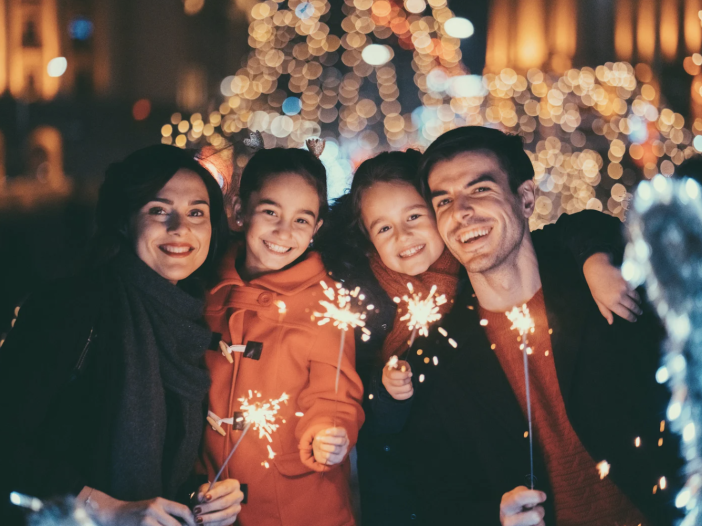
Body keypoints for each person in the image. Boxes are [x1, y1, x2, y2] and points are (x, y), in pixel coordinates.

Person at [316, 148, 645, 526]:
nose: (404, 235)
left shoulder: (480, 265)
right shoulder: (366, 300)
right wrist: (387, 391)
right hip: (399, 480)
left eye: (414, 216)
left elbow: (569, 230)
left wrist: (594, 258)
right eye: (384, 227)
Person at [407, 126, 684, 525]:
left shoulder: (601, 282)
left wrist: (595, 256)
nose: (461, 212)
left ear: (525, 198)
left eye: (480, 190)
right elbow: (438, 494)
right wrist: (494, 517)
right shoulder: (439, 353)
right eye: (444, 201)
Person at [0, 145, 243, 526]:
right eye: (159, 210)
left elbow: (162, 466)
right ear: (125, 220)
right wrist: (105, 508)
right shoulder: (71, 307)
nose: (180, 227)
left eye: (197, 212)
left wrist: (200, 497)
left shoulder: (191, 322)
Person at [200, 146, 364, 526]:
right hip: (212, 497)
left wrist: (329, 431)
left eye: (301, 220)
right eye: (270, 212)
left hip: (297, 505)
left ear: (317, 229)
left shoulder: (326, 303)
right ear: (239, 211)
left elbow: (335, 392)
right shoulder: (205, 288)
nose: (283, 232)